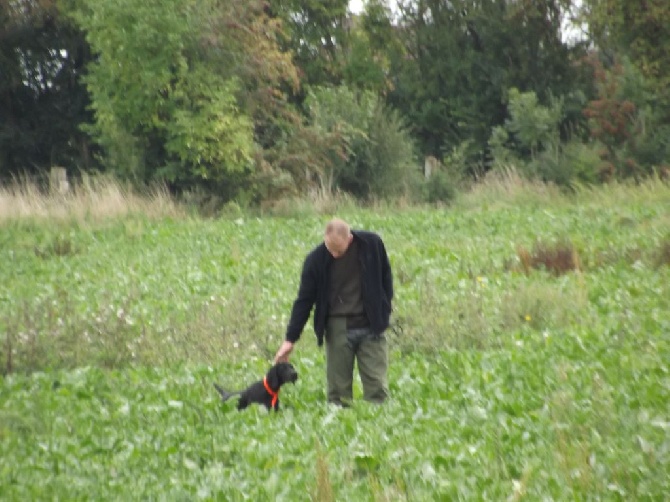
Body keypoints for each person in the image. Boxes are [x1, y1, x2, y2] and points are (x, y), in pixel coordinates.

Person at [274, 218, 393, 405]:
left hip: (371, 325)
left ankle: (378, 426)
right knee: (338, 393)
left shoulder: (372, 245)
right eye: (330, 249)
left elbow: (386, 277)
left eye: (339, 250)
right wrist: (290, 338)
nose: (335, 254)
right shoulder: (315, 260)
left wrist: (384, 309)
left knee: (377, 388)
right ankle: (340, 428)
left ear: (350, 239)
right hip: (338, 327)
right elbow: (304, 301)